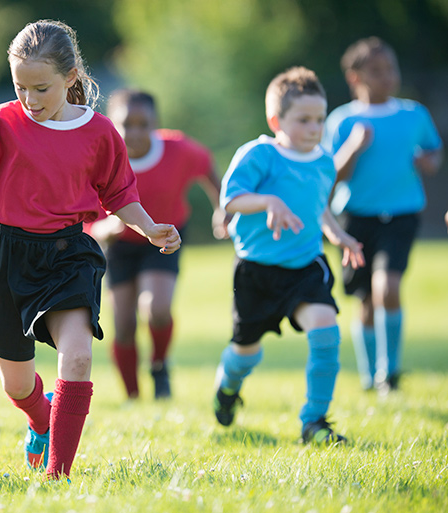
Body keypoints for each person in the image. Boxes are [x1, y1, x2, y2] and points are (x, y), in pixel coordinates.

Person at [0, 20, 181, 479]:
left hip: (68, 254)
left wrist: (150, 228)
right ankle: (39, 417)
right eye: (20, 87)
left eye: (41, 88)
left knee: (77, 356)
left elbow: (120, 195)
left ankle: (58, 475)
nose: (30, 100)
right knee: (15, 384)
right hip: (4, 254)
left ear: (70, 78)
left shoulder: (100, 133)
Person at [213, 67, 365, 444]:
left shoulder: (324, 161)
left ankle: (315, 422)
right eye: (303, 120)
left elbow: (319, 208)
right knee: (246, 353)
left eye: (319, 119)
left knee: (326, 330)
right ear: (276, 119)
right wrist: (268, 200)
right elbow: (230, 199)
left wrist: (339, 235)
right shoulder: (259, 154)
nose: (314, 128)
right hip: (256, 271)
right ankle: (227, 387)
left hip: (304, 267)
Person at [323, 37, 443, 393]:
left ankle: (388, 373)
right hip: (356, 219)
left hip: (402, 214)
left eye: (391, 69)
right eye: (376, 71)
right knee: (365, 299)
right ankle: (369, 374)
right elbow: (332, 174)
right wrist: (354, 147)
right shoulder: (342, 120)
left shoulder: (413, 114)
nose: (387, 77)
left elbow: (434, 154)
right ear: (354, 77)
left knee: (386, 287)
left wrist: (428, 162)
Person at [88, 89, 225, 400]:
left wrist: (220, 207)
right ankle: (133, 395)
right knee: (123, 324)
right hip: (119, 244)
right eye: (127, 124)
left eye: (143, 123)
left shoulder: (178, 150)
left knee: (157, 309)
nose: (135, 132)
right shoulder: (101, 159)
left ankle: (159, 366)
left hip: (164, 237)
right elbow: (82, 216)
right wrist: (101, 228)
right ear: (113, 125)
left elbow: (207, 167)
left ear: (155, 123)